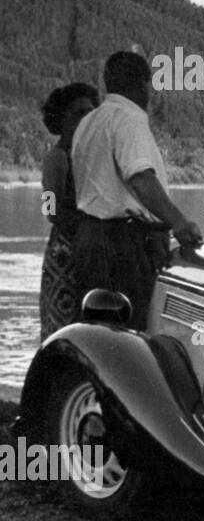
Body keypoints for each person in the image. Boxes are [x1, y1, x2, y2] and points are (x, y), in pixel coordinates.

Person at [71, 51, 204, 330]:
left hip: (90, 240)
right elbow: (141, 179)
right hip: (126, 246)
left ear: (108, 82)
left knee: (97, 330)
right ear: (144, 84)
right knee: (131, 333)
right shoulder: (129, 119)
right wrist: (179, 222)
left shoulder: (88, 123)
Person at [38, 83, 100, 340]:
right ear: (61, 118)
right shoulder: (58, 157)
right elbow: (50, 209)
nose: (85, 118)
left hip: (87, 246)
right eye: (77, 112)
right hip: (66, 251)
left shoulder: (89, 154)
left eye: (90, 112)